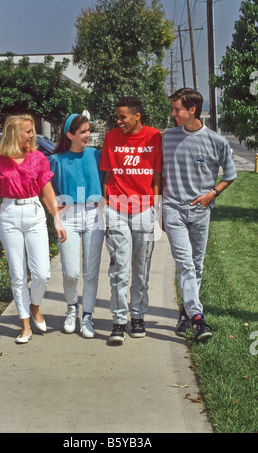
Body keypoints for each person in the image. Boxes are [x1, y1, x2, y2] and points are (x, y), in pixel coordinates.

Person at [0, 114, 66, 344]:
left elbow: (48, 192)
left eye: (32, 131)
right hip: (9, 216)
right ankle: (25, 326)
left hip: (34, 213)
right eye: (28, 131)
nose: (32, 135)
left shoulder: (38, 158)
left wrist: (57, 219)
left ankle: (35, 306)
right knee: (17, 275)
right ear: (15, 133)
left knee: (42, 274)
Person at [162, 88, 237, 342]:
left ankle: (184, 314)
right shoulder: (167, 137)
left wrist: (212, 194)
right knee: (185, 264)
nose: (173, 114)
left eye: (177, 109)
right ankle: (197, 318)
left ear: (192, 110)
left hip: (201, 210)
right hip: (173, 208)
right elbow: (160, 174)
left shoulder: (217, 141)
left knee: (197, 265)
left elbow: (230, 175)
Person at [99, 96, 162, 343]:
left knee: (141, 267)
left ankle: (137, 316)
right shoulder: (112, 137)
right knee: (118, 268)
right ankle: (118, 321)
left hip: (144, 209)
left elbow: (157, 174)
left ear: (137, 116)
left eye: (123, 116)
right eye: (118, 116)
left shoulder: (154, 136)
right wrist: (105, 204)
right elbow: (107, 173)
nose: (119, 121)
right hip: (116, 207)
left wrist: (156, 207)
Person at [49, 114, 104, 338]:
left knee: (91, 273)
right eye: (82, 131)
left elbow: (107, 181)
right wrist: (55, 211)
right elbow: (47, 189)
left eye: (88, 130)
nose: (87, 135)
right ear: (69, 135)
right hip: (68, 216)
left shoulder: (96, 155)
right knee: (71, 272)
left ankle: (88, 316)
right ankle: (72, 308)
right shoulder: (56, 160)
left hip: (94, 215)